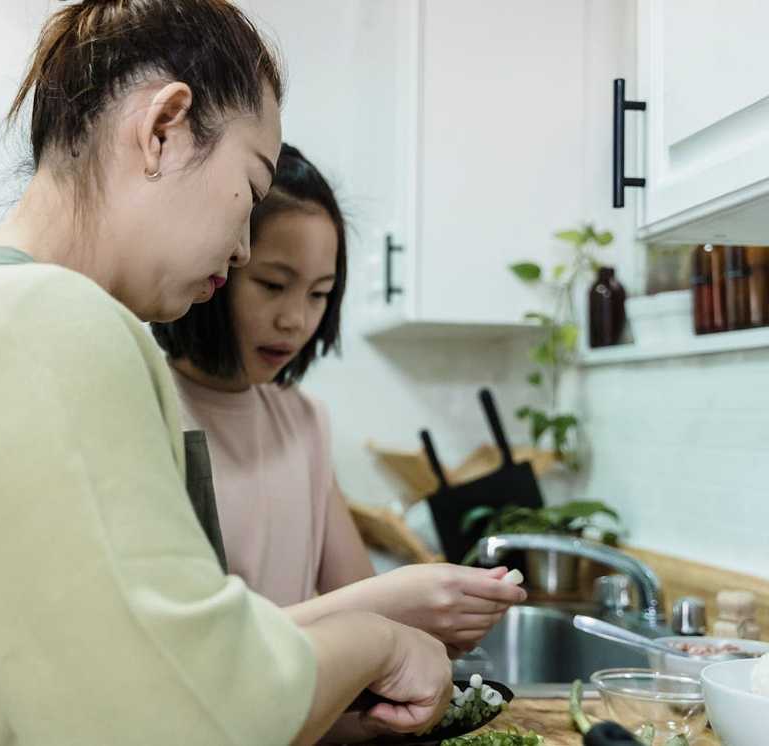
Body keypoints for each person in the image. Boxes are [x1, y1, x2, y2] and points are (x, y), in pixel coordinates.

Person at [0, 2, 452, 745]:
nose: (243, 248)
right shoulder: (35, 323)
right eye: (247, 191)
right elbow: (188, 718)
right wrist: (380, 642)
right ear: (162, 129)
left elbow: (120, 660)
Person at [151, 144, 527, 740]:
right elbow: (185, 659)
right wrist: (394, 604)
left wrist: (441, 613)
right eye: (274, 285)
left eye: (319, 294)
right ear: (218, 267)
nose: (296, 319)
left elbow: (358, 594)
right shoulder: (149, 409)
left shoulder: (304, 420)